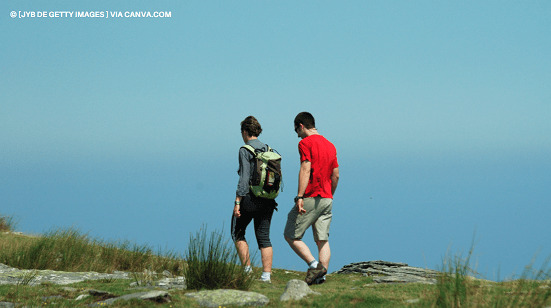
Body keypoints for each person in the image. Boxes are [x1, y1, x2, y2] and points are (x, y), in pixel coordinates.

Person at [284, 112, 339, 285]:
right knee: (322, 239)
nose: (296, 135)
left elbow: (305, 169)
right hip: (327, 197)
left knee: (291, 234)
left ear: (301, 125)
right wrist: (331, 194)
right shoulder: (330, 145)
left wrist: (300, 196)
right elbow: (336, 175)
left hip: (311, 195)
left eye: (296, 130)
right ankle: (320, 277)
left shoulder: (305, 143)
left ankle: (315, 265)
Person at [231, 115, 278, 283]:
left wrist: (238, 202)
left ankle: (247, 270)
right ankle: (266, 276)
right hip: (268, 200)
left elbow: (244, 179)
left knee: (237, 232)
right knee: (264, 237)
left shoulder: (245, 150)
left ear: (245, 131)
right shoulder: (269, 150)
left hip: (250, 198)